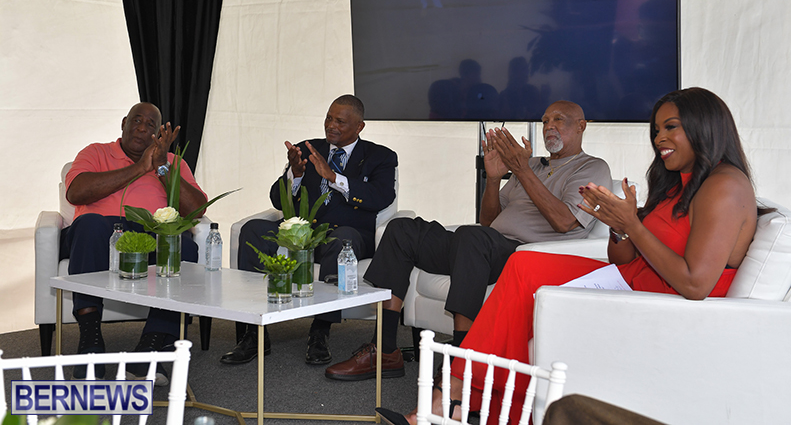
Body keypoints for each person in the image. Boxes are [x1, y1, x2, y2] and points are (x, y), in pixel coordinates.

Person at [379, 87, 759, 425]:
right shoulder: (679, 183)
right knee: (523, 263)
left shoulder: (724, 185)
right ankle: (461, 400)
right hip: (632, 278)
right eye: (657, 129)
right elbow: (623, 257)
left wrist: (635, 225)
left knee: (518, 262)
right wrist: (619, 224)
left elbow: (695, 283)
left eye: (670, 127)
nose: (660, 138)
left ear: (705, 127)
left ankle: (453, 399)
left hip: (660, 300)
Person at [325, 100, 612, 381]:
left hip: (526, 255)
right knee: (401, 230)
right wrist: (494, 179)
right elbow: (488, 220)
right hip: (483, 245)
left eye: (559, 119)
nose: (549, 126)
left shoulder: (590, 168)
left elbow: (564, 221)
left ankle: (464, 354)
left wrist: (521, 170)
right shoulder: (533, 164)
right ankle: (385, 349)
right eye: (546, 120)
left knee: (472, 237)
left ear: (581, 126)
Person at [224, 95, 398, 366]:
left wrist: (335, 178)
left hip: (346, 234)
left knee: (343, 240)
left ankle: (320, 330)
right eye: (329, 117)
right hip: (302, 231)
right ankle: (253, 332)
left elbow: (381, 197)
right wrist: (295, 175)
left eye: (340, 121)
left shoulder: (380, 156)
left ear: (359, 127)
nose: (331, 125)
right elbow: (277, 200)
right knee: (252, 230)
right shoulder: (307, 149)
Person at [61, 102, 208, 384]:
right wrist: (140, 168)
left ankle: (151, 346)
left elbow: (196, 209)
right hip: (103, 231)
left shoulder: (174, 163)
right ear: (123, 123)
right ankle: (90, 341)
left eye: (150, 124)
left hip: (153, 231)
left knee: (184, 246)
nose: (142, 127)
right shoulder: (95, 152)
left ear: (157, 134)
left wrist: (162, 167)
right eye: (137, 121)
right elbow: (76, 192)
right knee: (88, 224)